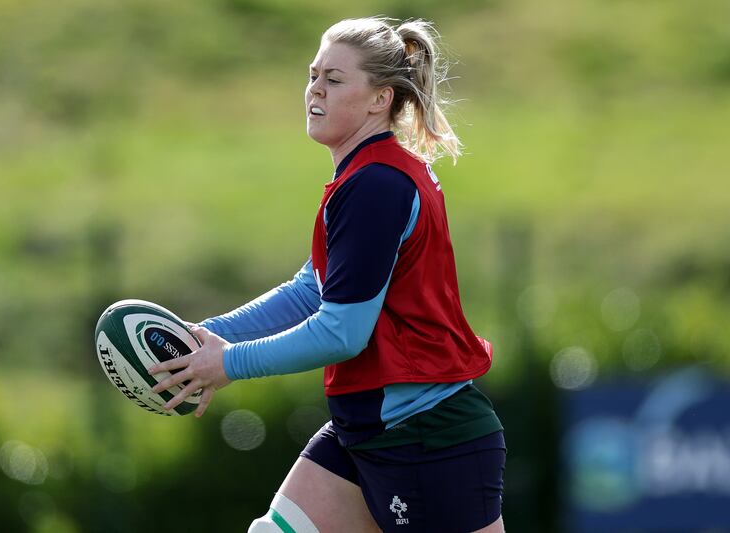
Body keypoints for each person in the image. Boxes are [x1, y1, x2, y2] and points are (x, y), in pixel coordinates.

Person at [148, 16, 506, 533]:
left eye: (334, 80)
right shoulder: (365, 174)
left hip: (426, 437)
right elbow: (308, 292)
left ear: (380, 98)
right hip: (369, 428)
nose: (315, 89)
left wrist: (229, 365)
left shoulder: (377, 185)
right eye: (313, 74)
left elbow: (341, 331)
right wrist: (204, 338)